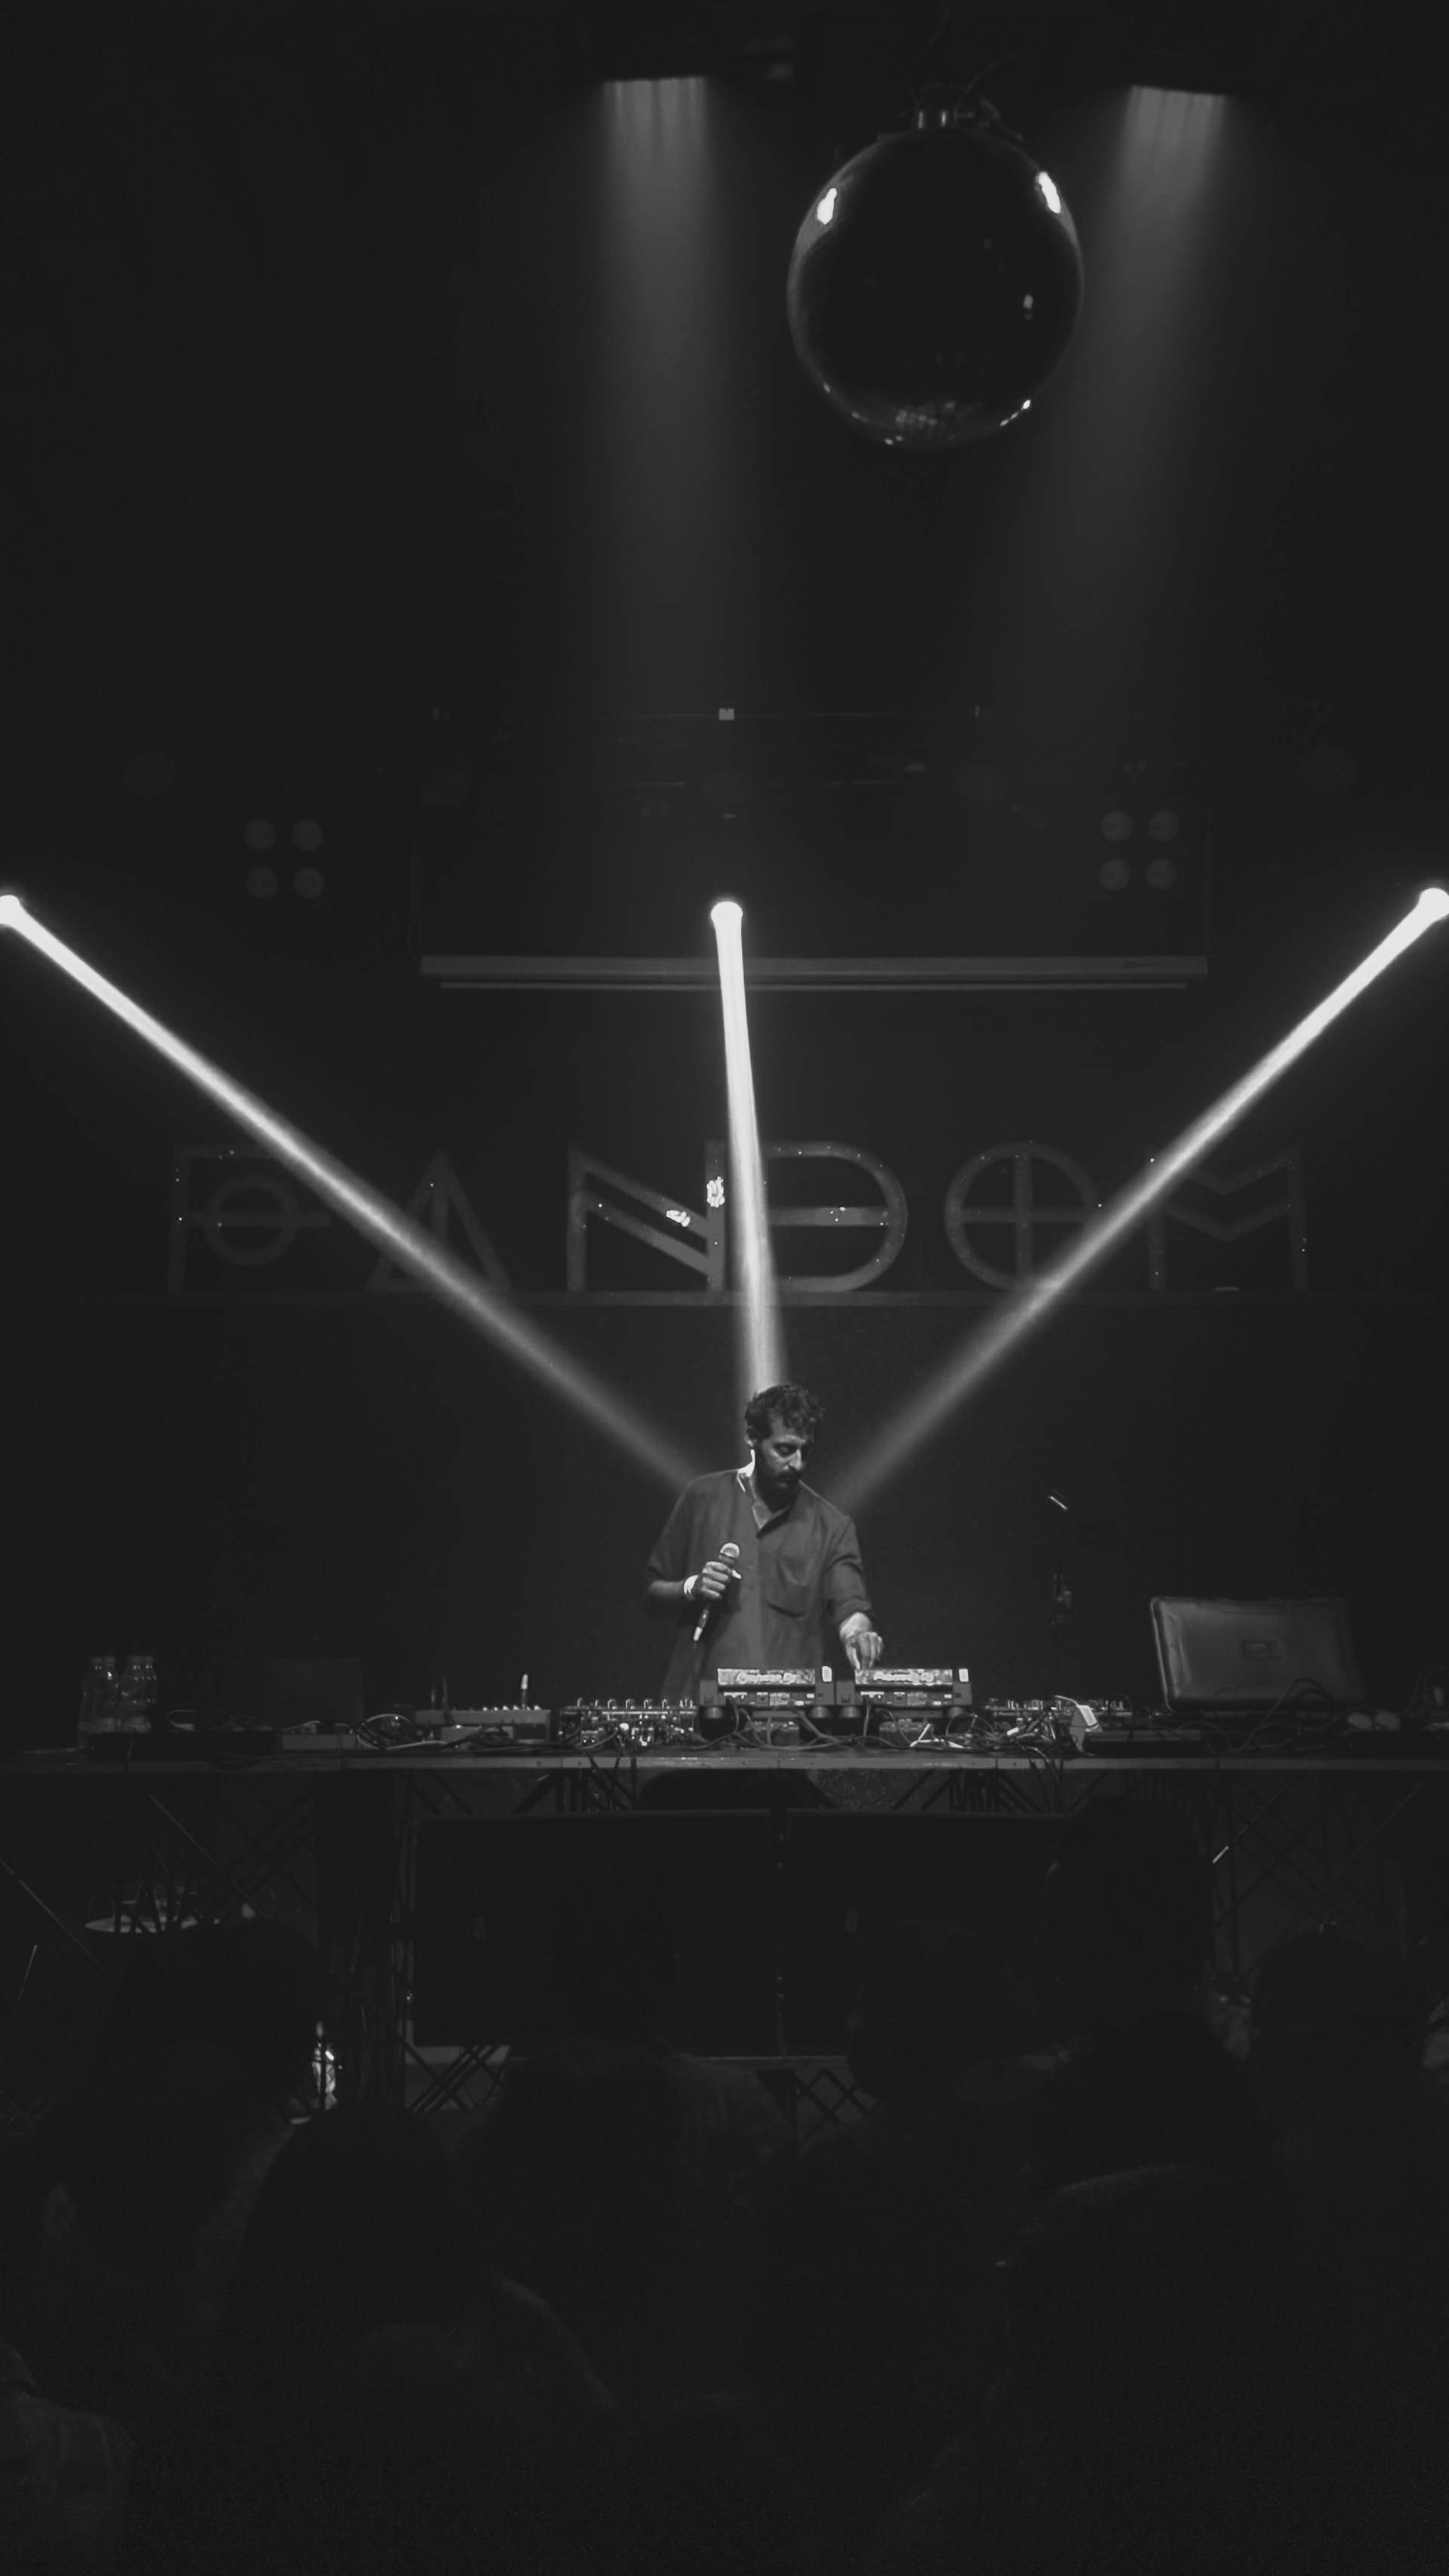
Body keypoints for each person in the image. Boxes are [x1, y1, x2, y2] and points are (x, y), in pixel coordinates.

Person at [643, 1382, 881, 1697]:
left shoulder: (833, 1526)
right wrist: (692, 1587)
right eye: (785, 1450)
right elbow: (651, 1593)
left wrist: (859, 1636)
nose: (797, 1463)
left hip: (787, 1722)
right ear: (752, 1438)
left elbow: (850, 1607)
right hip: (696, 1708)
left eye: (805, 1451)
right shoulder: (702, 1497)